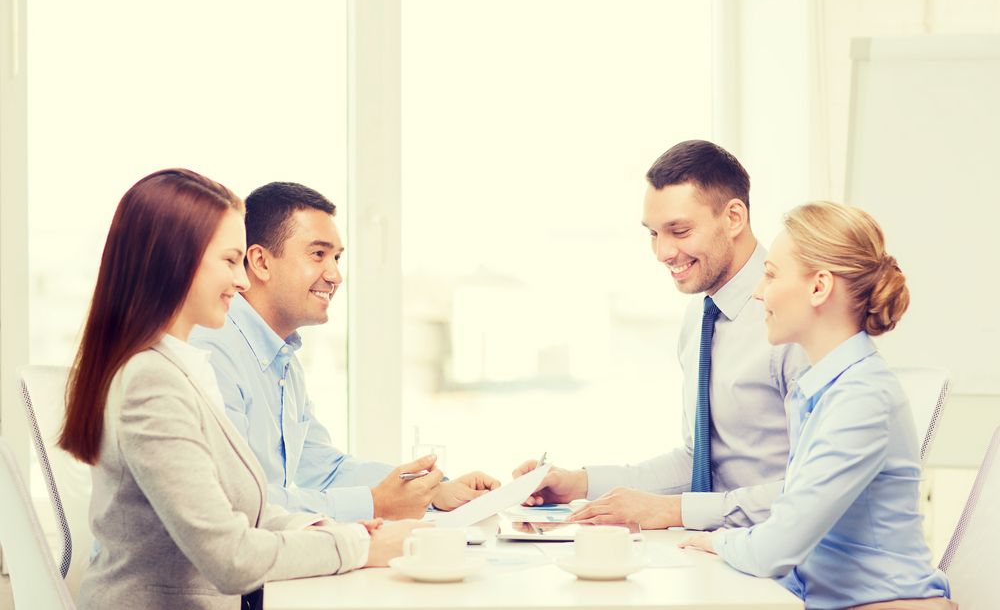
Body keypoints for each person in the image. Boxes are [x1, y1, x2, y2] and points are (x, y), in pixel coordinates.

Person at [60, 169, 422, 610]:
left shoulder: (184, 368)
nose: (243, 281)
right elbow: (231, 557)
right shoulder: (150, 384)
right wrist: (359, 548)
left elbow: (242, 510)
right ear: (178, 260)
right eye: (230, 261)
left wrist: (344, 529)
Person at [513, 140, 809, 531]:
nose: (663, 252)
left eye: (679, 230)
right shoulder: (699, 319)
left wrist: (673, 512)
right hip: (721, 551)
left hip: (785, 562)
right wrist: (577, 484)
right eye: (653, 233)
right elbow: (698, 460)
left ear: (734, 217)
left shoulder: (797, 313)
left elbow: (820, 490)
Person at [679, 202, 954, 610]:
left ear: (819, 287)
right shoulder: (819, 391)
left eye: (770, 275)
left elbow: (777, 547)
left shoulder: (861, 398)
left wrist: (717, 541)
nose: (758, 292)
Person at [190, 181, 499, 523]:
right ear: (261, 262)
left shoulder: (283, 361)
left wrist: (434, 490)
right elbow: (241, 503)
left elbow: (325, 470)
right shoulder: (212, 349)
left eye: (336, 257)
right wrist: (373, 504)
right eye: (318, 254)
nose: (335, 275)